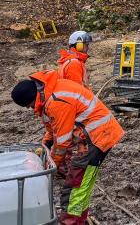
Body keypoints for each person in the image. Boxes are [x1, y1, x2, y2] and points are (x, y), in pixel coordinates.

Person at [11, 70, 124, 225]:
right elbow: (53, 127)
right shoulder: (48, 92)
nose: (30, 109)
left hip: (97, 137)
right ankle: (80, 220)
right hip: (91, 134)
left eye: (29, 106)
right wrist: (46, 144)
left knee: (75, 187)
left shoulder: (56, 100)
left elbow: (62, 141)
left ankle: (72, 222)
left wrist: (52, 166)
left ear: (32, 99)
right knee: (79, 185)